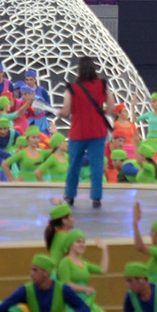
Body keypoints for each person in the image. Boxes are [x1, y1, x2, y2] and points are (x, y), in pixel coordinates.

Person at [60, 56, 112, 209]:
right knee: (97, 165)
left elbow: (66, 110)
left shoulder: (72, 88)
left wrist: (60, 113)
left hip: (78, 132)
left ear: (79, 69)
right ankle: (96, 198)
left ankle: (70, 196)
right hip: (97, 132)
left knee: (74, 165)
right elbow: (110, 107)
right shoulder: (103, 85)